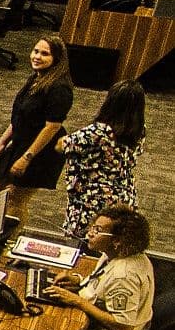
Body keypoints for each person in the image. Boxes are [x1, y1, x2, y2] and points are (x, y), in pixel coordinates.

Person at [0, 36, 73, 221]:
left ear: (56, 59)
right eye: (36, 51)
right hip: (21, 140)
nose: (37, 56)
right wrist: (2, 142)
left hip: (41, 150)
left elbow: (52, 126)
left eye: (44, 54)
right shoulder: (36, 79)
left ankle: (8, 237)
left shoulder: (59, 89)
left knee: (16, 198)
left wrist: (26, 158)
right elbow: (19, 117)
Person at [48, 205, 156, 330]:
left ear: (117, 240)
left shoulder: (123, 276)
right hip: (97, 314)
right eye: (92, 227)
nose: (89, 234)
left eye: (97, 230)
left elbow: (124, 327)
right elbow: (103, 283)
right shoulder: (114, 254)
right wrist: (79, 281)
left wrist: (78, 301)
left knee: (48, 324)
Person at [58, 81, 148, 241]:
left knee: (87, 243)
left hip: (93, 199)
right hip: (123, 196)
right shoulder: (139, 128)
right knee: (113, 241)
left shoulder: (99, 131)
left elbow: (62, 145)